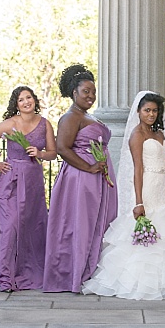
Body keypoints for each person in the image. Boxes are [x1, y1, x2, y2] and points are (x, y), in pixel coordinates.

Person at [84, 91, 165, 300]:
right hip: (147, 186)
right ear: (138, 111)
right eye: (147, 110)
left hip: (164, 186)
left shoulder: (160, 134)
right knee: (148, 228)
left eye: (155, 111)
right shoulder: (137, 135)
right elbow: (137, 169)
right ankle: (140, 282)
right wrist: (138, 201)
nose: (151, 114)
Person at [43, 65, 117, 293]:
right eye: (86, 91)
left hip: (95, 177)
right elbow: (63, 149)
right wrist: (89, 167)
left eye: (93, 92)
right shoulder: (70, 117)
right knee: (80, 224)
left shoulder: (86, 115)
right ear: (74, 92)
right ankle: (72, 274)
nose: (91, 96)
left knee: (95, 223)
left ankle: (91, 268)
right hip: (81, 179)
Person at [0, 86, 56, 292]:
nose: (26, 102)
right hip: (10, 180)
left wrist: (39, 153)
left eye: (28, 98)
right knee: (10, 226)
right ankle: (5, 276)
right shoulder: (11, 123)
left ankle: (28, 271)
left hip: (32, 180)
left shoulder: (45, 124)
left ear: (34, 100)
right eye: (21, 100)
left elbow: (53, 153)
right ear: (16, 104)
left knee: (32, 226)